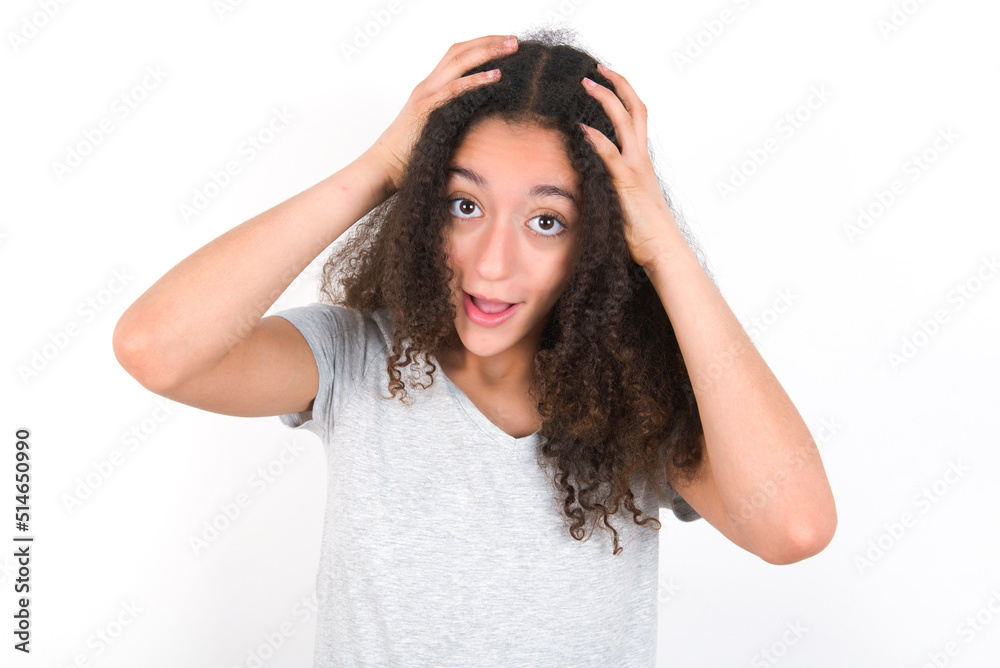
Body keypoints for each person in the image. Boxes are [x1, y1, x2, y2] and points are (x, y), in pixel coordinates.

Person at [113, 26, 836, 667]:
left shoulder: (638, 404)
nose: (492, 263)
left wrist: (665, 251)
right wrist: (380, 166)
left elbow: (795, 526)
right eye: (464, 205)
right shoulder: (355, 356)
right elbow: (155, 348)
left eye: (547, 221)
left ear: (601, 242)